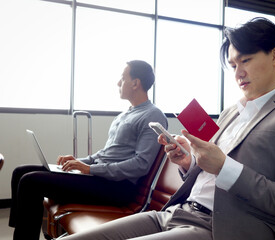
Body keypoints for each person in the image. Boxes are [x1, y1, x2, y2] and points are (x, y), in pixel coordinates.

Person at [61, 18, 275, 240]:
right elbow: (209, 174)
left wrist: (224, 167)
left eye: (245, 60)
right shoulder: (231, 112)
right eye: (234, 65)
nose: (237, 73)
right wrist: (189, 162)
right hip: (177, 212)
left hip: (227, 228)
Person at [9, 60, 168, 240]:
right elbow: (106, 154)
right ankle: (21, 228)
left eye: (123, 78)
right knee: (20, 172)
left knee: (31, 181)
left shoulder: (153, 115)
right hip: (100, 178)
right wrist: (80, 162)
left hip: (117, 187)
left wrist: (90, 169)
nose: (118, 83)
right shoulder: (125, 114)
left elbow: (141, 164)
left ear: (135, 83)